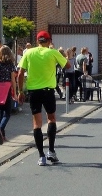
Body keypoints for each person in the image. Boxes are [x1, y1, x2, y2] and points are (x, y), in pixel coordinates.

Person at [17, 31, 70, 166]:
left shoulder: (28, 53)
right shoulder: (52, 52)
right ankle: (51, 151)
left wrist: (20, 91)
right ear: (49, 40)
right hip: (48, 91)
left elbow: (20, 73)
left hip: (34, 92)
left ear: (37, 41)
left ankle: (41, 156)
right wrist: (60, 57)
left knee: (37, 123)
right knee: (51, 118)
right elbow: (68, 66)